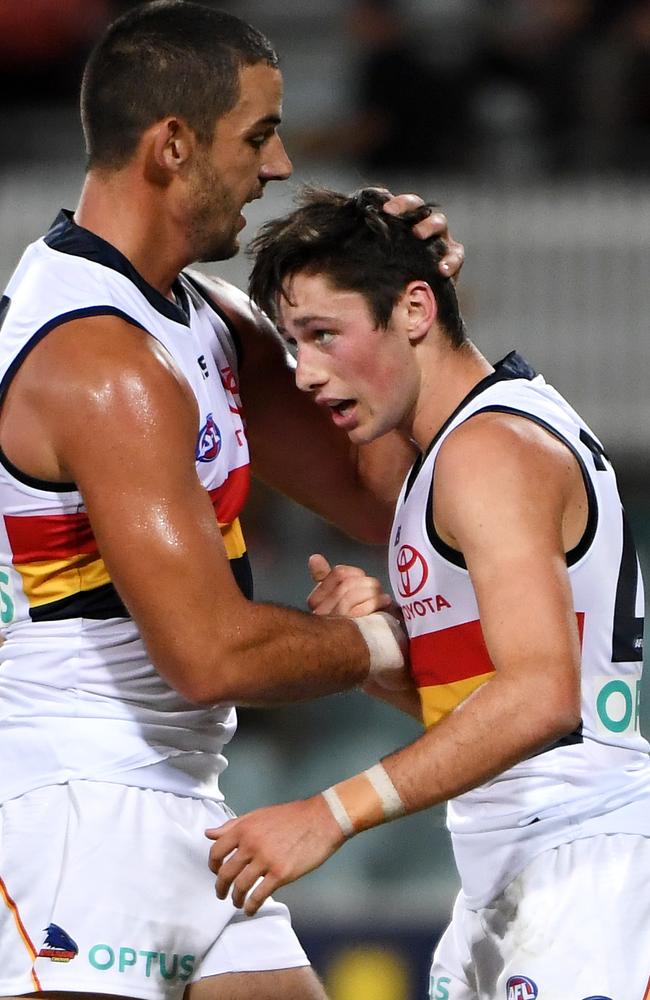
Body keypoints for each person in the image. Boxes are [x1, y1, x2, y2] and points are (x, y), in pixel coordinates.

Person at [0, 4, 465, 1000]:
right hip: (72, 810)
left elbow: (398, 501)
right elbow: (209, 653)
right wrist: (379, 646)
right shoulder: (98, 359)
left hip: (184, 802)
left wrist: (409, 332)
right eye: (258, 133)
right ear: (172, 145)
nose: (282, 164)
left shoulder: (200, 318)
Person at [207, 186, 650, 998]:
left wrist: (328, 814)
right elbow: (501, 715)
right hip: (520, 862)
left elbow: (543, 699)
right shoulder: (450, 454)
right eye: (293, 342)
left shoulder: (487, 452)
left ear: (414, 309)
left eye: (322, 336)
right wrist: (381, 660)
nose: (303, 373)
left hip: (583, 866)